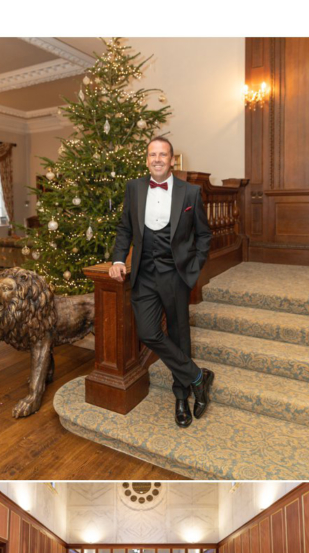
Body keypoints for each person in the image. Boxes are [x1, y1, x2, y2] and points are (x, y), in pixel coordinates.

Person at [109, 136, 214, 427]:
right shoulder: (134, 188)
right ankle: (197, 376)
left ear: (171, 161)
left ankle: (181, 396)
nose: (157, 159)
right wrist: (119, 259)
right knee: (148, 331)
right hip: (144, 273)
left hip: (176, 274)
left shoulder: (190, 193)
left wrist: (193, 267)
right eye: (152, 154)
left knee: (180, 335)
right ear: (147, 160)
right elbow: (125, 227)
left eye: (163, 154)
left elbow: (204, 235)